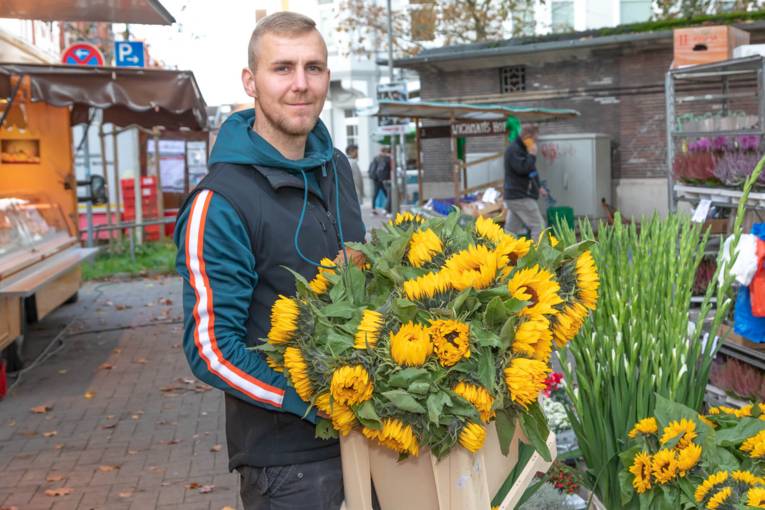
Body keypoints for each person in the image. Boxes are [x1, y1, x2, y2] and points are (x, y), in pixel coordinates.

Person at [174, 12, 365, 510]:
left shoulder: (337, 169)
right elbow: (211, 350)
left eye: (314, 68)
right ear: (250, 81)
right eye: (282, 68)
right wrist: (316, 399)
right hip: (288, 463)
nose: (301, 84)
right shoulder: (220, 201)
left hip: (372, 436)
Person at [503, 123, 547, 239]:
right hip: (520, 196)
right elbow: (522, 169)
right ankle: (539, 255)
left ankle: (504, 253)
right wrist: (532, 155)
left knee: (511, 230)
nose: (535, 142)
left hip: (514, 197)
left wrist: (538, 186)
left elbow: (531, 171)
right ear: (527, 137)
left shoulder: (522, 149)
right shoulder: (514, 150)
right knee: (539, 226)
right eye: (534, 138)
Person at [368, 145, 391, 214]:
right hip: (383, 179)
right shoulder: (387, 158)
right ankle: (387, 209)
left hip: (375, 179)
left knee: (375, 194)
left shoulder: (376, 158)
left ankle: (373, 209)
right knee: (388, 194)